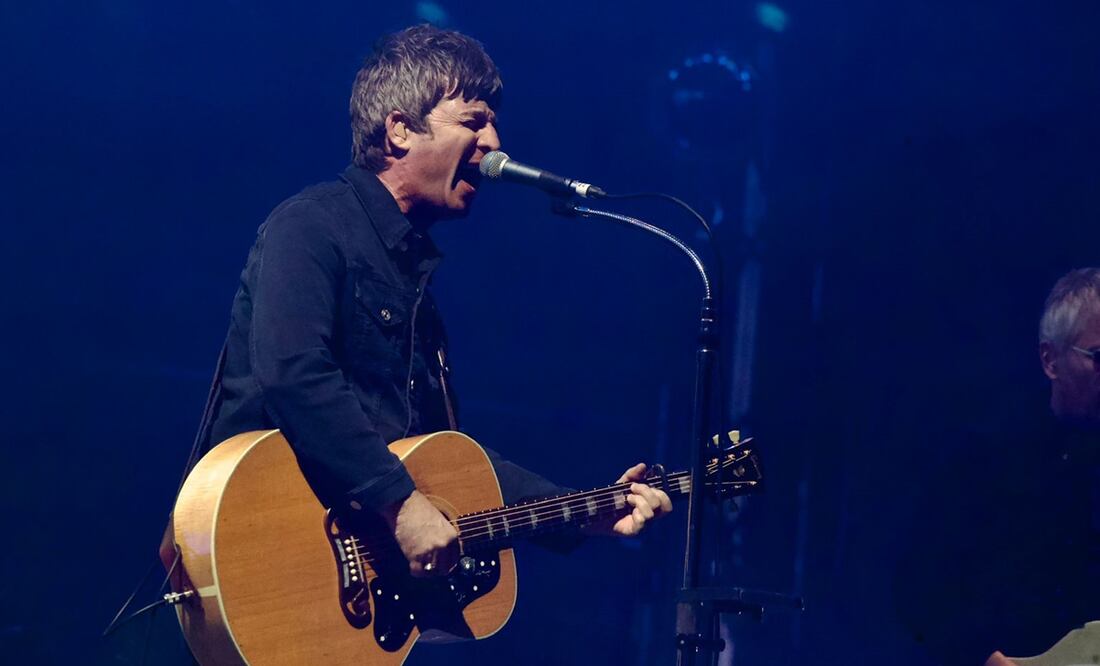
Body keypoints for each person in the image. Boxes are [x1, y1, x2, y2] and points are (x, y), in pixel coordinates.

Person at [199, 24, 671, 579]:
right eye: (473, 121)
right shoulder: (311, 225)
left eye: (493, 124)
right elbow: (294, 375)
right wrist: (401, 503)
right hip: (256, 551)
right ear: (399, 130)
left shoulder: (411, 271)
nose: (494, 143)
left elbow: (442, 459)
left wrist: (582, 512)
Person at [982, 269, 1100, 665]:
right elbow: (923, 584)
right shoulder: (992, 457)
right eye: (1099, 357)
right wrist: (983, 655)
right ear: (1051, 360)